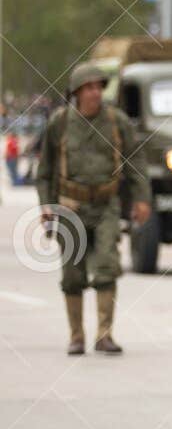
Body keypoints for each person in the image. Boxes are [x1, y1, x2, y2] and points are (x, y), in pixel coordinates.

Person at [35, 63, 151, 355]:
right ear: (76, 92)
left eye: (99, 87)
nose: (95, 93)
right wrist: (46, 205)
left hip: (106, 205)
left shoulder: (117, 122)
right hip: (69, 207)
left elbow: (136, 162)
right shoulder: (60, 123)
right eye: (88, 88)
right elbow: (45, 170)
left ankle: (104, 334)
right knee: (73, 274)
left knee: (107, 267)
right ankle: (76, 335)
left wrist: (142, 199)